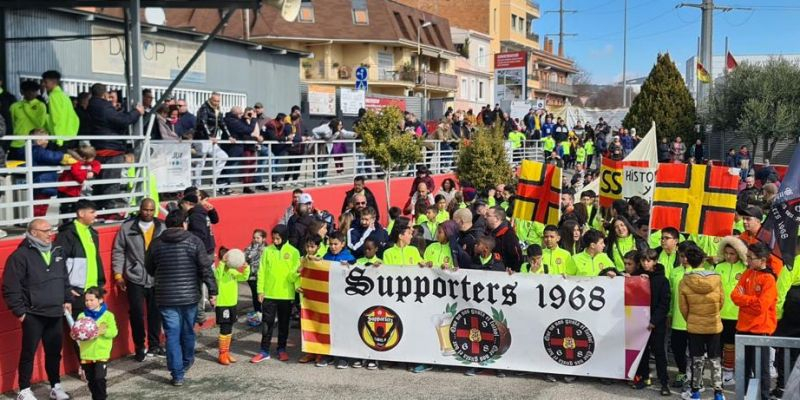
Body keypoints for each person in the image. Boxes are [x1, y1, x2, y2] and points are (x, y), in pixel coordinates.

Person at [2, 218, 72, 400]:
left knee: (54, 352)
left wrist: (67, 299)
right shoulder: (20, 256)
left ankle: (55, 386)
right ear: (34, 233)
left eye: (51, 229)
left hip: (56, 312)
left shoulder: (58, 251)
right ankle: (24, 390)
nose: (51, 233)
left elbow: (64, 278)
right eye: (46, 230)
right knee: (28, 353)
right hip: (33, 314)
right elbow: (10, 287)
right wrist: (21, 313)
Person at [145, 209, 217, 386]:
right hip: (190, 296)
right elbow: (205, 269)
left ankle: (177, 374)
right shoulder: (194, 241)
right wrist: (213, 291)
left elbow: (149, 268)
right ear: (184, 223)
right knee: (187, 332)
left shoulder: (156, 243)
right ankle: (186, 362)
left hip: (165, 297)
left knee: (172, 335)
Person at [111, 199, 165, 362]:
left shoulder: (162, 227)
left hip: (156, 277)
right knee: (136, 314)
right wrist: (118, 275)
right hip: (134, 277)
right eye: (145, 210)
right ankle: (139, 347)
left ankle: (155, 345)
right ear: (140, 209)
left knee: (155, 313)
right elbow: (118, 251)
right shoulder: (128, 227)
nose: (148, 213)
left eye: (151, 210)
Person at [731, 243, 778, 400]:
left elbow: (761, 306)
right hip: (743, 328)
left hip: (760, 330)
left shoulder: (769, 279)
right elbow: (734, 296)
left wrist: (745, 300)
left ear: (762, 260)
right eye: (747, 257)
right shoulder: (747, 273)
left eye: (751, 258)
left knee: (761, 371)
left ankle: (763, 397)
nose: (748, 261)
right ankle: (743, 397)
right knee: (742, 370)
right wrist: (750, 300)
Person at [679, 248, 725, 400]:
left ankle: (696, 393)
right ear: (703, 260)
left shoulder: (685, 280)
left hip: (695, 325)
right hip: (714, 324)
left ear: (688, 261)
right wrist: (713, 314)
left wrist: (692, 318)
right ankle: (718, 393)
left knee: (696, 359)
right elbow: (721, 301)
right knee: (715, 359)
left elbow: (683, 307)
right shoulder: (717, 278)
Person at [252, 225, 300, 364]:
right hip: (269, 294)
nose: (275, 240)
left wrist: (297, 285)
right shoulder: (267, 251)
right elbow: (261, 271)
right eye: (273, 238)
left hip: (286, 295)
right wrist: (260, 291)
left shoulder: (294, 252)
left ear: (284, 237)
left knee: (284, 324)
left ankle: (281, 349)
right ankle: (264, 351)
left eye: (278, 238)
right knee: (267, 324)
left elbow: (295, 275)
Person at [632, 249, 671, 395]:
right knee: (642, 352)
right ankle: (643, 377)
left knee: (659, 352)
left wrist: (654, 321)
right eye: (642, 260)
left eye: (648, 260)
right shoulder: (637, 276)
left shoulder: (662, 280)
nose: (645, 263)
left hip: (656, 323)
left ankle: (664, 382)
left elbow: (664, 303)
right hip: (639, 321)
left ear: (655, 261)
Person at [669, 241, 705, 389]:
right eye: (681, 256)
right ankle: (682, 372)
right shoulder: (675, 271)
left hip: (695, 319)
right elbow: (671, 295)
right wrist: (669, 314)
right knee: (678, 349)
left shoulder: (701, 271)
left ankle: (697, 377)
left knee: (696, 352)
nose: (684, 259)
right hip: (678, 319)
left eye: (687, 256)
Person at [714, 236, 748, 385]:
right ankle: (720, 371)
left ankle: (729, 373)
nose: (728, 256)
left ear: (739, 253)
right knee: (718, 344)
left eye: (732, 253)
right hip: (719, 313)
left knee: (731, 345)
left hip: (737, 314)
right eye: (726, 252)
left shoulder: (746, 269)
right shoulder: (719, 267)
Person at [77, 287, 118, 400]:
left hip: (101, 353)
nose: (88, 303)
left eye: (91, 300)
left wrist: (103, 331)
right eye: (86, 300)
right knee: (91, 380)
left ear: (100, 300)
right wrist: (74, 334)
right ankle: (96, 397)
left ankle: (101, 397)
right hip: (86, 354)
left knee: (99, 378)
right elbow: (77, 333)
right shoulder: (82, 316)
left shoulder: (108, 315)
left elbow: (114, 332)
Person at [213, 247, 250, 365]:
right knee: (224, 329)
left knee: (229, 328)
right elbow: (217, 276)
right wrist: (222, 263)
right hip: (222, 304)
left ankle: (226, 352)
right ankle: (222, 354)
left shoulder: (233, 272)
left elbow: (244, 277)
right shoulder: (219, 270)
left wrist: (246, 268)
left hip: (232, 304)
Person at [57, 144, 101, 217]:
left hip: (73, 190)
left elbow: (96, 163)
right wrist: (84, 178)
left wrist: (93, 171)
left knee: (73, 207)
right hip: (66, 189)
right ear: (84, 158)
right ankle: (66, 222)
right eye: (92, 157)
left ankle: (70, 220)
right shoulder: (75, 162)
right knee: (66, 207)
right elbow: (76, 173)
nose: (93, 159)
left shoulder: (83, 162)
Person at [8, 80, 47, 160]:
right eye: (27, 91)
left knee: (33, 169)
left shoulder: (41, 105)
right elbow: (11, 124)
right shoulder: (14, 106)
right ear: (22, 92)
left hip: (35, 144)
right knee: (15, 170)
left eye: (33, 91)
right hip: (16, 143)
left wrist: (27, 108)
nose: (31, 93)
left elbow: (40, 123)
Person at [41, 70, 79, 147]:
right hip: (69, 134)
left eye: (45, 82)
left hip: (60, 137)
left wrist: (59, 139)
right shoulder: (64, 95)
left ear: (54, 82)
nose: (44, 85)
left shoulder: (54, 96)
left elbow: (57, 118)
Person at [485, 207, 523, 272]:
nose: (485, 217)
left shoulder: (509, 235)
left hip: (504, 276)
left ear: (496, 219)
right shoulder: (487, 231)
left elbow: (517, 258)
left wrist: (512, 270)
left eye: (488, 215)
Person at [244, 229, 267, 322]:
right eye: (254, 237)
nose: (255, 239)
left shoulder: (267, 249)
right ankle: (258, 313)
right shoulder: (249, 248)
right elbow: (244, 257)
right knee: (255, 295)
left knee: (264, 295)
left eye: (258, 237)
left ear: (263, 239)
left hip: (262, 276)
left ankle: (265, 314)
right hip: (252, 276)